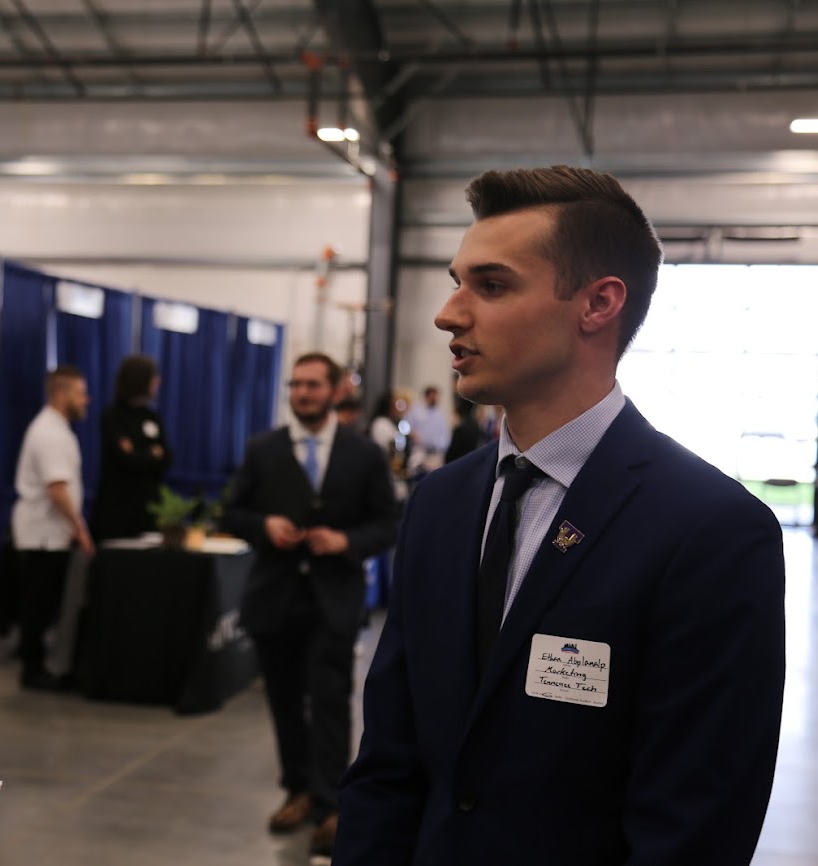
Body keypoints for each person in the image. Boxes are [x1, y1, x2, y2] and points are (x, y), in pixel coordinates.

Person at [335, 166, 786, 866]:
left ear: (597, 303)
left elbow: (692, 827)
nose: (448, 314)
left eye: (490, 285)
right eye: (457, 282)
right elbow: (389, 762)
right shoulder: (440, 503)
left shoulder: (710, 531)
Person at [220, 352, 398, 859]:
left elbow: (387, 523)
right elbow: (232, 511)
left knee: (331, 701)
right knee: (283, 701)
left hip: (334, 599)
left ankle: (330, 803)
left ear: (336, 390)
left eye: (313, 385)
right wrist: (264, 527)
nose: (302, 393)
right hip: (274, 599)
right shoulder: (263, 449)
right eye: (296, 385)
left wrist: (345, 541)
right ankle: (297, 789)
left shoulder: (363, 455)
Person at [11, 365, 94, 690]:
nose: (85, 400)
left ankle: (38, 665)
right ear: (61, 394)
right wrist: (80, 527)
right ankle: (33, 670)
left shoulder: (57, 429)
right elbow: (57, 488)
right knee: (38, 604)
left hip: (48, 533)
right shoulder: (49, 433)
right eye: (79, 392)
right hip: (43, 535)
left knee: (42, 602)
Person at [91, 355, 171, 541]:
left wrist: (139, 454)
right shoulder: (112, 416)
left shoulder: (153, 417)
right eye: (153, 377)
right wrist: (151, 454)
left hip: (148, 512)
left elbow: (167, 458)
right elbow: (126, 460)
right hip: (117, 514)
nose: (157, 381)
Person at [404, 384, 450, 471]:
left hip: (435, 454)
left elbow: (444, 435)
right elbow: (404, 426)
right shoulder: (415, 410)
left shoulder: (440, 415)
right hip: (419, 451)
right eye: (433, 397)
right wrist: (411, 433)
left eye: (436, 397)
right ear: (426, 396)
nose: (435, 399)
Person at [443, 395, 482, 464]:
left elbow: (450, 456)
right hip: (472, 463)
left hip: (460, 464)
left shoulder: (460, 429)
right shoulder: (476, 426)